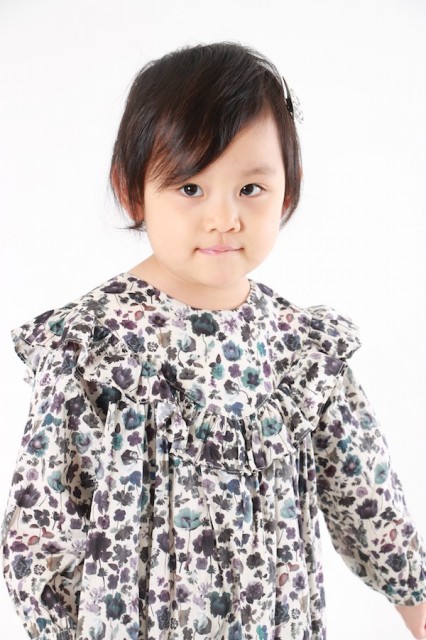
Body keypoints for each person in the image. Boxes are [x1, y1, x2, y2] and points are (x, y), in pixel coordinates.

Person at [1, 41, 425, 640]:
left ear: (289, 190)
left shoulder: (298, 350)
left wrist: (415, 601)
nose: (224, 218)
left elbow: (365, 492)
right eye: (190, 188)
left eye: (250, 189)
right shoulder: (97, 349)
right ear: (132, 190)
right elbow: (41, 531)